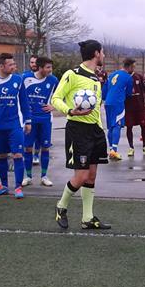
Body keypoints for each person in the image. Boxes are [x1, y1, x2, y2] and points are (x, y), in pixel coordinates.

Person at [51, 39, 111, 230]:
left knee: (91, 176)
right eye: (102, 52)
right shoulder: (72, 74)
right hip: (78, 130)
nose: (104, 55)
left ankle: (87, 218)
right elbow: (56, 98)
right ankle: (61, 207)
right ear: (96, 54)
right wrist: (70, 111)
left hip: (96, 130)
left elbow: (96, 108)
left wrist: (100, 129)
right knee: (82, 176)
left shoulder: (96, 78)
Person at [0, 53, 32, 199]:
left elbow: (24, 102)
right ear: (1, 66)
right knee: (1, 155)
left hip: (15, 124)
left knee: (18, 154)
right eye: (11, 64)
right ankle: (4, 186)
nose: (14, 66)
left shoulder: (18, 80)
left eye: (14, 64)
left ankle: (18, 187)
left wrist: (28, 121)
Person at [22, 55, 58, 186]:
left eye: (51, 67)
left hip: (45, 119)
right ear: (40, 67)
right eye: (48, 67)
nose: (50, 70)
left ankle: (44, 176)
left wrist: (53, 106)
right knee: (27, 148)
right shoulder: (25, 78)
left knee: (45, 147)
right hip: (30, 119)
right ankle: (28, 176)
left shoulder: (53, 80)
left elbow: (60, 96)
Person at [103, 58, 135, 160]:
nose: (134, 69)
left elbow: (104, 90)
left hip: (108, 102)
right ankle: (114, 151)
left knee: (111, 127)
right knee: (117, 125)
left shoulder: (112, 74)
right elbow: (129, 93)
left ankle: (111, 150)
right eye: (133, 67)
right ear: (130, 66)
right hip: (118, 103)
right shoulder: (128, 77)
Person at [125, 66, 145, 156]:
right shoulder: (123, 77)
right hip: (128, 107)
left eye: (133, 66)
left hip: (140, 107)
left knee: (144, 126)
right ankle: (131, 147)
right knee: (129, 127)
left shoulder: (139, 77)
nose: (131, 67)